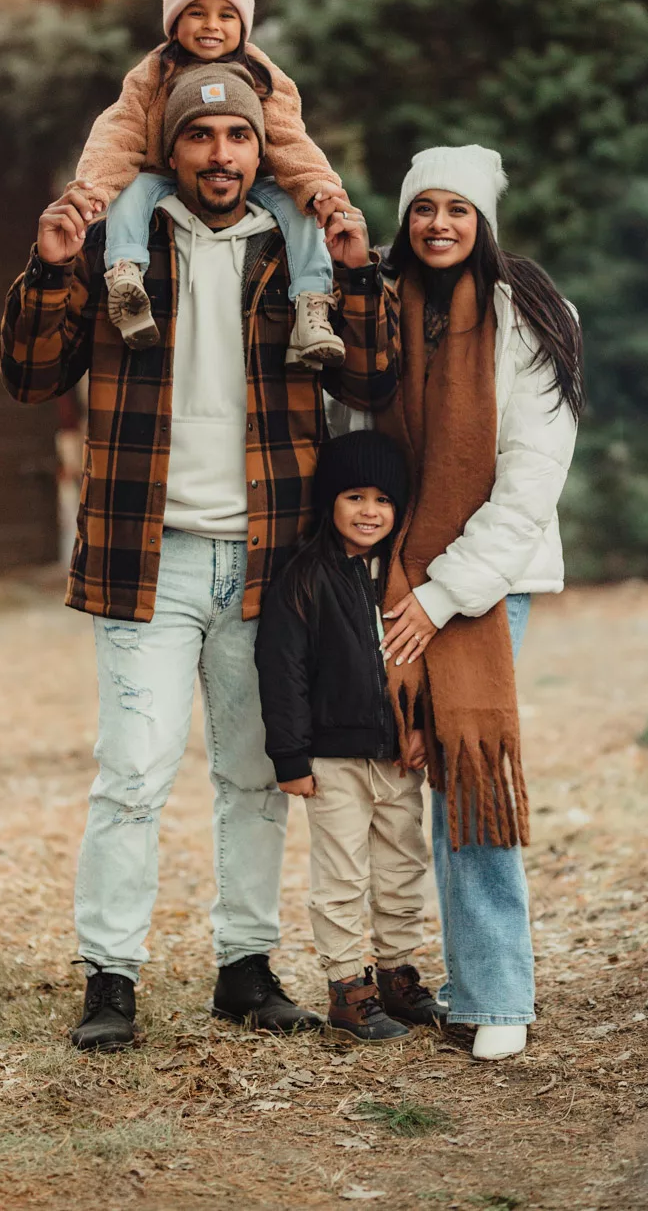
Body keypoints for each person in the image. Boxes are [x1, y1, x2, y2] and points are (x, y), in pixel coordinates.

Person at [0, 61, 397, 1051]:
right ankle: (110, 977)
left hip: (270, 562)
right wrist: (51, 268)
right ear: (170, 148)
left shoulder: (296, 249)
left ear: (260, 150)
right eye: (199, 138)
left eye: (237, 140)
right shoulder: (115, 248)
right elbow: (28, 372)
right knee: (132, 773)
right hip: (151, 556)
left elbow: (377, 378)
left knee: (258, 773)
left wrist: (357, 272)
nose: (220, 156)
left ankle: (244, 970)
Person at [376, 144, 583, 1061]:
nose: (440, 225)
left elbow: (532, 482)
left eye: (459, 210)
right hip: (389, 574)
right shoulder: (377, 311)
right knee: (399, 773)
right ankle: (395, 973)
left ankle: (498, 992)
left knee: (466, 775)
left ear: (485, 223)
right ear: (406, 219)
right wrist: (389, 582)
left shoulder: (534, 317)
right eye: (426, 208)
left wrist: (441, 595)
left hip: (492, 580)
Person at [74, 0, 347, 368]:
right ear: (174, 20)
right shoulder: (155, 70)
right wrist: (95, 186)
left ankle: (311, 306)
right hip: (169, 175)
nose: (211, 26)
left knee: (300, 212)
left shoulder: (259, 72)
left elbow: (289, 137)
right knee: (132, 192)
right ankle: (126, 276)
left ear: (244, 23)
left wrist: (320, 187)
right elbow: (121, 127)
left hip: (247, 181)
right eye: (196, 12)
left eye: (226, 15)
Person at [256, 430, 445, 1044]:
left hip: (397, 757)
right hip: (332, 758)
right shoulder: (303, 575)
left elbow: (424, 665)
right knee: (340, 877)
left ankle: (395, 975)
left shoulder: (406, 575)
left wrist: (422, 731)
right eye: (355, 496)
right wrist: (290, 755)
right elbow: (280, 671)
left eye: (384, 500)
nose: (370, 512)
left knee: (401, 867)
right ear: (329, 501)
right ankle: (348, 990)